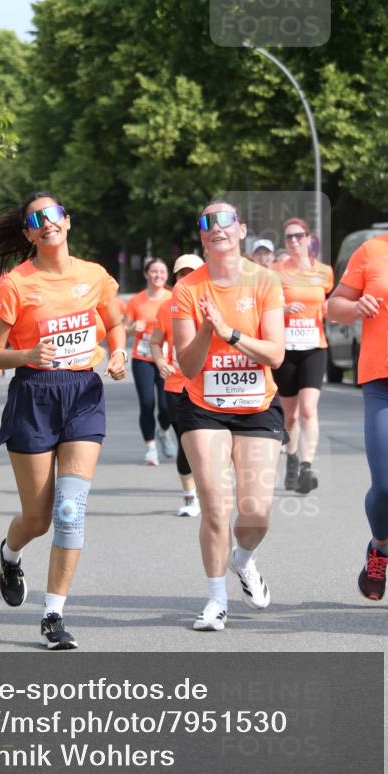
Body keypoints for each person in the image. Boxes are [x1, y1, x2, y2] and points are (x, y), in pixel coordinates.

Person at [0, 191, 127, 649]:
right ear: (29, 232)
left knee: (69, 510)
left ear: (67, 220)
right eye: (36, 219)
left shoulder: (94, 275)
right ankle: (10, 554)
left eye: (53, 214)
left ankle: (53, 616)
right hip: (33, 395)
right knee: (39, 517)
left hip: (82, 393)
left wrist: (119, 352)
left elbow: (116, 324)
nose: (47, 223)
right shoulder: (15, 284)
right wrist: (26, 353)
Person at [172, 201, 285, 631]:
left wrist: (231, 334)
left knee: (255, 513)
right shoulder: (188, 289)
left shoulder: (265, 281)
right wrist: (206, 329)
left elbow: (275, 353)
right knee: (216, 508)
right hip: (203, 407)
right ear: (202, 236)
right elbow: (188, 367)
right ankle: (216, 600)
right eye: (206, 222)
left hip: (257, 406)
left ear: (241, 231)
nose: (215, 227)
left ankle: (244, 559)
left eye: (224, 221)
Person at [327, 181, 388, 607]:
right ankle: (380, 546)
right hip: (387, 385)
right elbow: (332, 305)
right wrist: (355, 307)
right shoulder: (373, 251)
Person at [273, 217, 334, 493]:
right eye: (289, 237)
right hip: (285, 349)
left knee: (309, 409)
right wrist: (283, 311)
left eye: (299, 236)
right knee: (290, 417)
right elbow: (266, 308)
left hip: (314, 346)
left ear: (310, 239)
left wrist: (330, 314)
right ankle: (292, 458)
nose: (294, 241)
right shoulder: (275, 271)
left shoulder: (325, 272)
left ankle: (307, 468)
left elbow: (327, 306)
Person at [150, 254, 203, 517]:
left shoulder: (212, 303)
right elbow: (155, 342)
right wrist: (160, 362)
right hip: (176, 386)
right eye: (182, 274)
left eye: (192, 273)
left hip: (208, 385)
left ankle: (209, 491)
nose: (187, 278)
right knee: (186, 442)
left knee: (207, 443)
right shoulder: (166, 307)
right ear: (176, 278)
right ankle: (190, 496)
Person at [124, 258, 176, 465]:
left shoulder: (172, 298)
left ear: (167, 275)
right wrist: (131, 328)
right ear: (146, 274)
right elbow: (122, 330)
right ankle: (151, 448)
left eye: (162, 272)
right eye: (153, 271)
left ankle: (163, 431)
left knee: (166, 407)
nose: (158, 275)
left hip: (166, 359)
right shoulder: (137, 301)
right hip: (143, 358)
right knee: (147, 404)